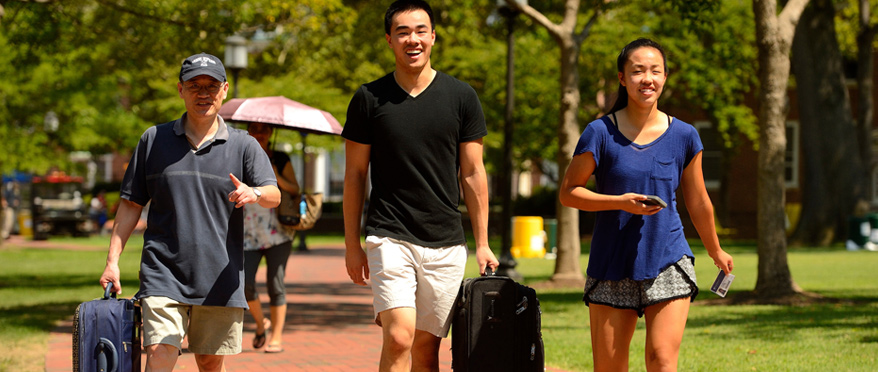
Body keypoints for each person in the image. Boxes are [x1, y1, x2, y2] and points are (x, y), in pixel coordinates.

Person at [558, 38, 735, 372]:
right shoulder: (599, 132)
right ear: (623, 79)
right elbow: (569, 192)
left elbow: (697, 200)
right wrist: (619, 202)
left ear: (665, 77)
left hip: (667, 255)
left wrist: (715, 249)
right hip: (612, 262)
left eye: (655, 71)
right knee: (610, 367)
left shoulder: (684, 135)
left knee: (662, 360)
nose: (647, 79)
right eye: (637, 71)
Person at [342, 1, 499, 370]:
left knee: (426, 350)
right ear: (389, 40)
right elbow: (354, 176)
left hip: (445, 241)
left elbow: (473, 173)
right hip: (389, 234)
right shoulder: (368, 98)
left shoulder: (462, 97)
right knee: (398, 337)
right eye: (402, 32)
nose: (412, 39)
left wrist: (483, 242)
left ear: (432, 37)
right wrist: (352, 245)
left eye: (419, 31)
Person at [99, 52, 280, 372]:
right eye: (194, 85)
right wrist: (112, 261)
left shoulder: (243, 145)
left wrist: (254, 193)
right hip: (162, 273)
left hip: (219, 277)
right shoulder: (153, 140)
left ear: (224, 90)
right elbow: (130, 204)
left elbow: (273, 194)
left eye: (211, 86)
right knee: (160, 350)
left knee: (210, 362)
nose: (203, 94)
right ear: (180, 90)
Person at [242, 122, 300, 353]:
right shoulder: (240, 154)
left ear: (271, 133)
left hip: (278, 233)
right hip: (247, 233)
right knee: (244, 285)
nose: (259, 134)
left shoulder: (280, 158)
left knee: (276, 284)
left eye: (264, 130)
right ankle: (259, 324)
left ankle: (276, 337)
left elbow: (294, 188)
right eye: (254, 129)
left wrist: (276, 176)